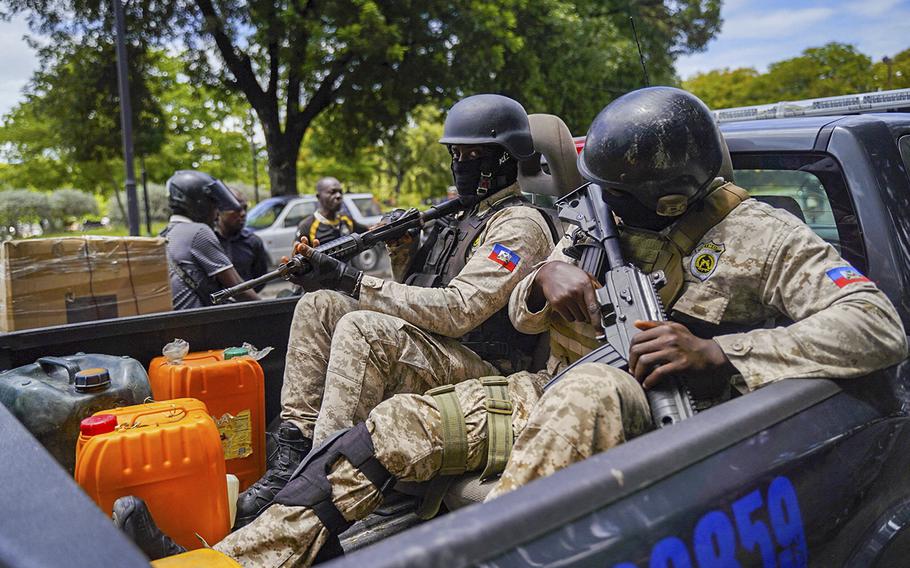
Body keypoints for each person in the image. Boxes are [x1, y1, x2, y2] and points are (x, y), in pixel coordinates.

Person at [113, 88, 907, 566]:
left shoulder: (763, 237)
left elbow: (877, 327)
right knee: (387, 430)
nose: (598, 213)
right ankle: (228, 560)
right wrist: (547, 281)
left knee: (594, 387)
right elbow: (526, 306)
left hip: (663, 414)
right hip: (546, 388)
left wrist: (717, 350)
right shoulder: (600, 221)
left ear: (671, 200)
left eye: (620, 203)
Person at [233, 93, 557, 526]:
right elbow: (420, 299)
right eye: (454, 153)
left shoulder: (518, 225)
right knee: (320, 304)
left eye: (471, 154)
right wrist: (402, 255)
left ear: (503, 158)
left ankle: (314, 489)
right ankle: (291, 455)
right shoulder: (464, 216)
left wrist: (352, 279)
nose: (459, 162)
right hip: (444, 351)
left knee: (363, 327)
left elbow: (460, 311)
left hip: (487, 370)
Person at [162, 170, 261, 309]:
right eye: (214, 204)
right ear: (200, 203)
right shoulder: (199, 232)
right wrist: (270, 308)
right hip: (199, 325)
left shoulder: (165, 234)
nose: (217, 213)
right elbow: (238, 289)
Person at [216, 188, 269, 292]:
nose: (243, 214)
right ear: (220, 210)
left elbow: (260, 279)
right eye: (236, 209)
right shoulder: (208, 240)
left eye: (245, 208)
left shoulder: (253, 242)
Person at [295, 177, 368, 245]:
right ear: (318, 196)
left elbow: (368, 231)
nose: (338, 196)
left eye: (340, 192)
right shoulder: (307, 226)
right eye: (332, 192)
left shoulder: (346, 220)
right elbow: (297, 254)